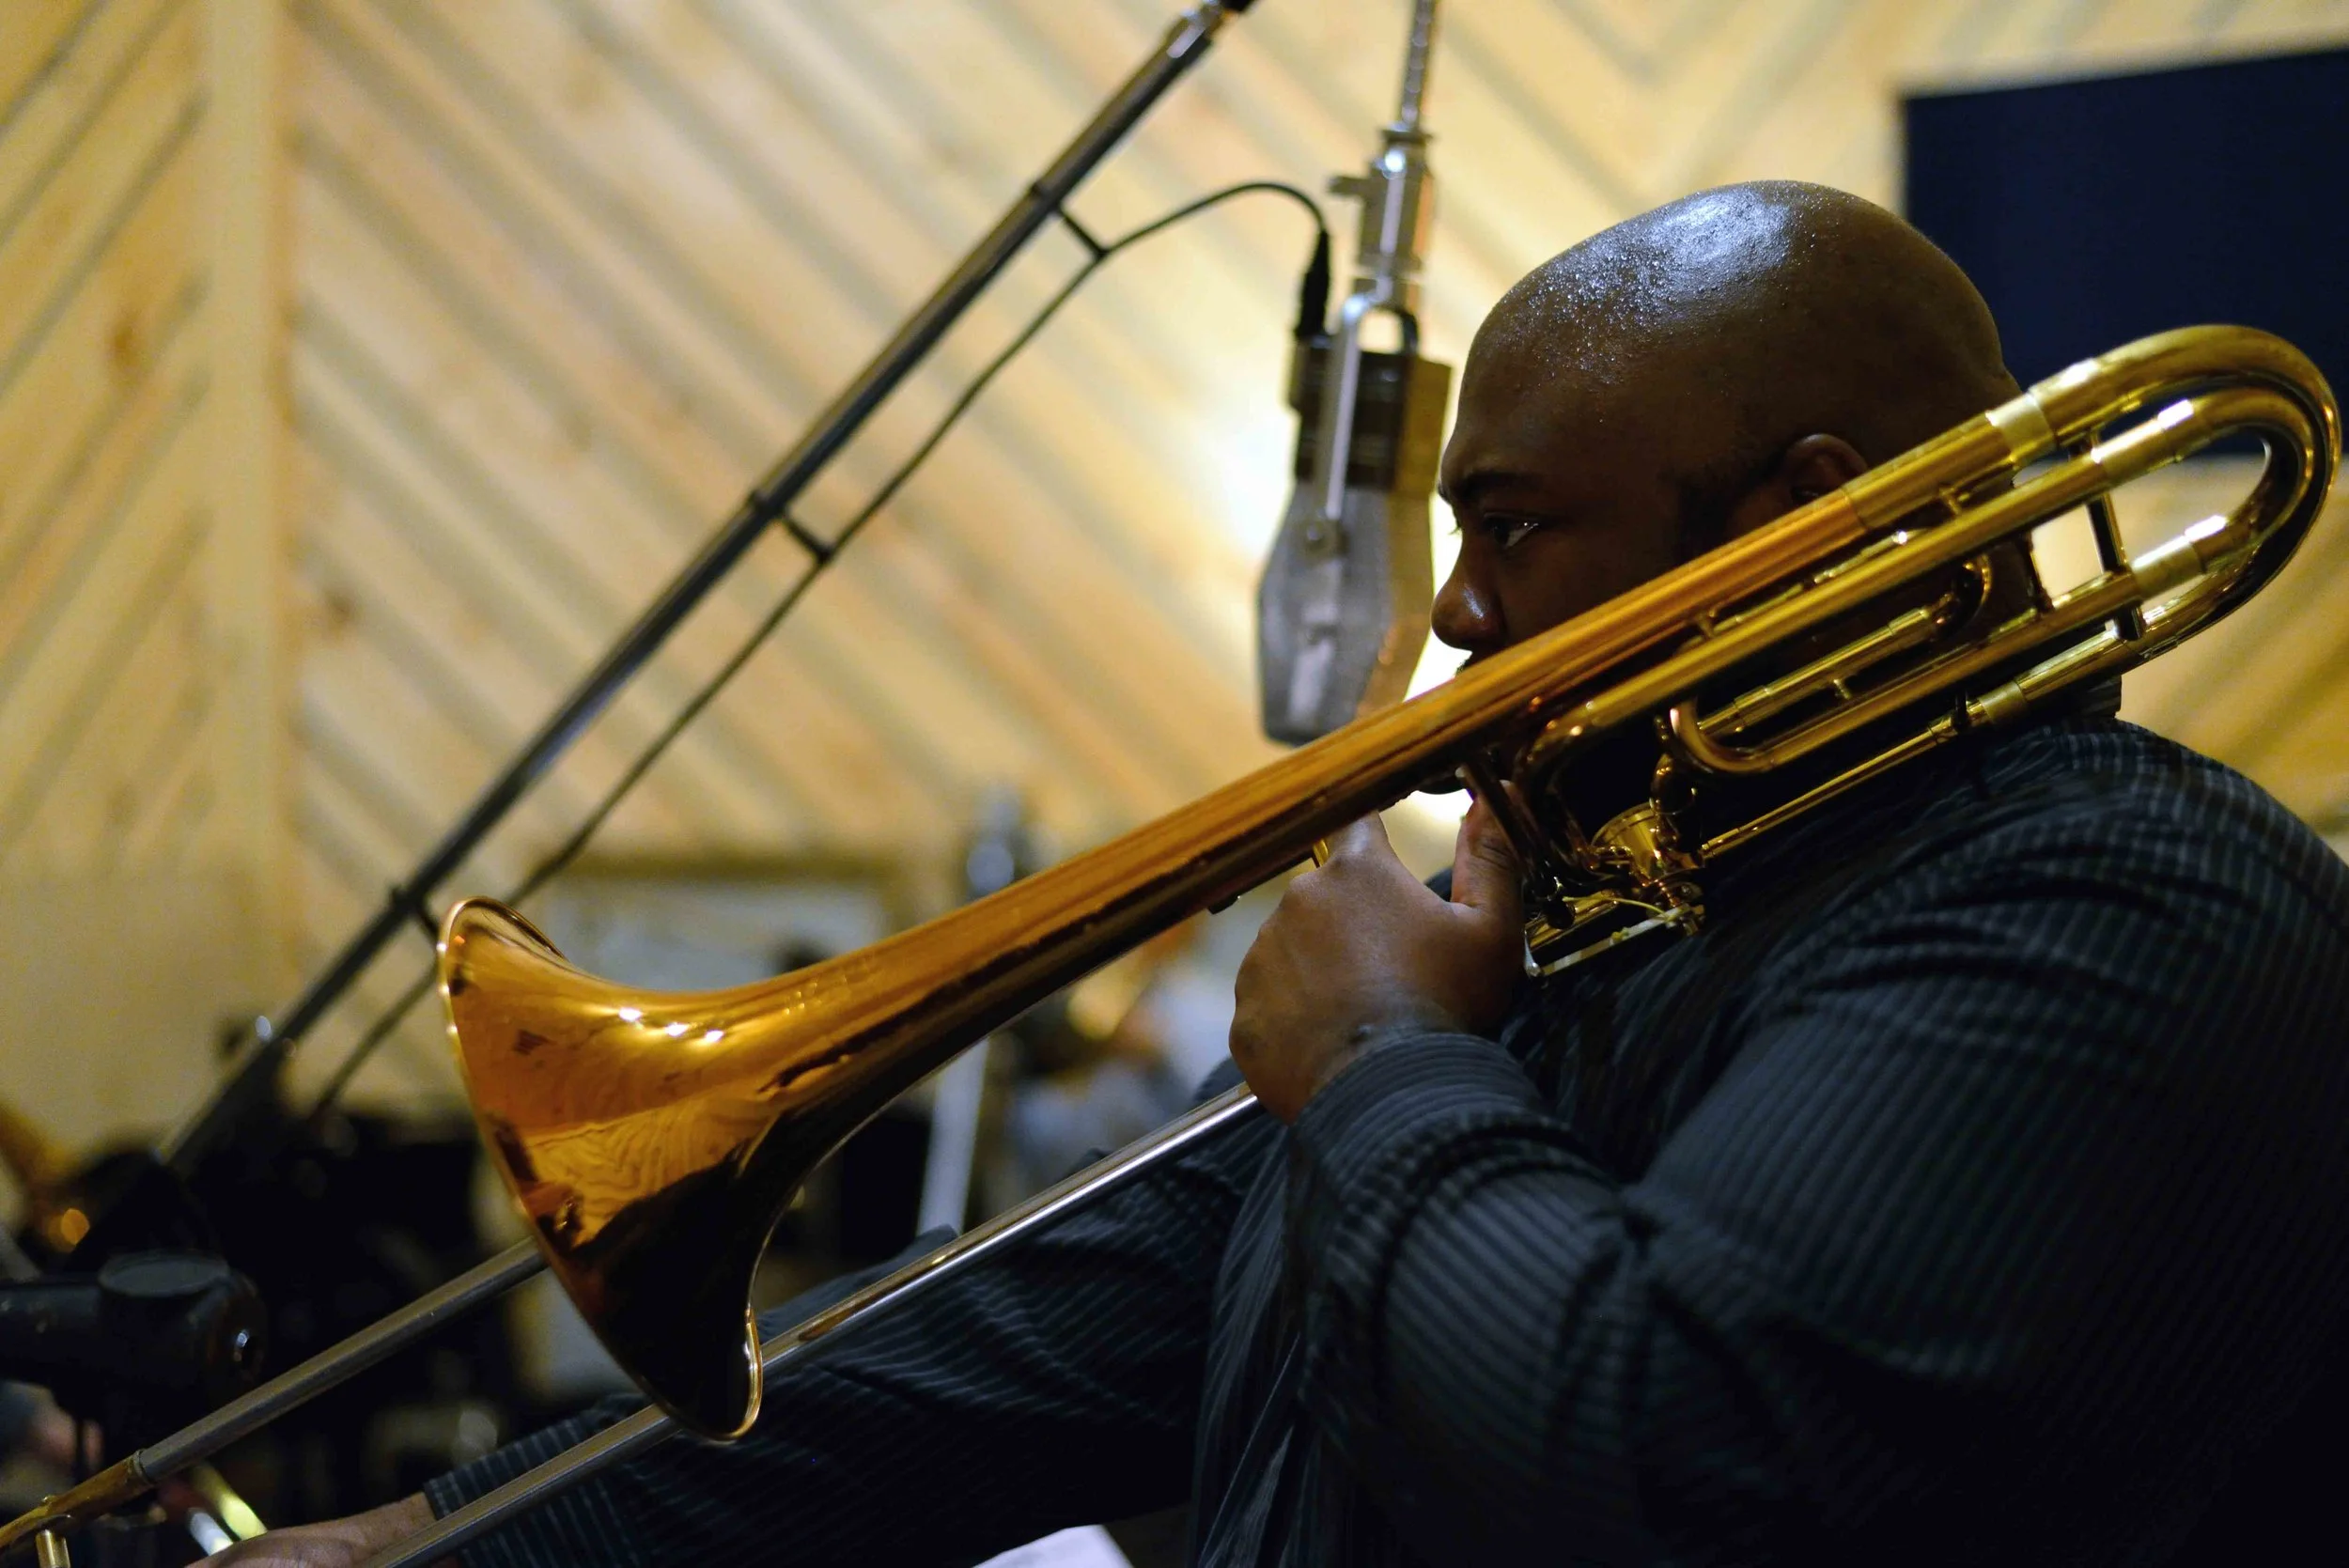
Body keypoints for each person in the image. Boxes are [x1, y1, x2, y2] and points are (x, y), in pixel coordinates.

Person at [212, 181, 2349, 1566]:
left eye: (1505, 526)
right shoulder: (1648, 911)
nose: (1445, 623)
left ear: (1806, 518)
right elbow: (1026, 1346)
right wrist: (437, 1539)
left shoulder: (2121, 907)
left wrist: (1391, 1072)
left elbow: (1656, 1474)